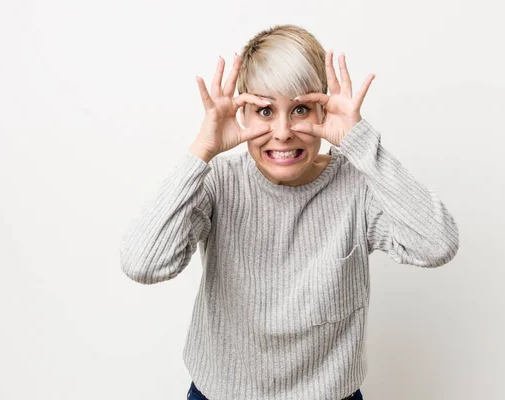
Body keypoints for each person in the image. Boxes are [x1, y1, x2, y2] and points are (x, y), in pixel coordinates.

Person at [120, 24, 459, 400]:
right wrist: (202, 150)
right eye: (265, 110)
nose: (282, 132)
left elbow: (436, 245)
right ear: (243, 114)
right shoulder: (219, 182)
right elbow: (143, 264)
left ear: (323, 108)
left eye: (299, 109)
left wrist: (360, 142)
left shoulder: (356, 186)